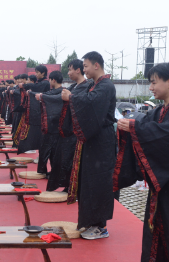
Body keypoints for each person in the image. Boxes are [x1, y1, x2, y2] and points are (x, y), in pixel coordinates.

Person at [115, 62, 169, 261]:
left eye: (153, 82)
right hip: (162, 183)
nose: (150, 88)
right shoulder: (160, 111)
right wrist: (130, 126)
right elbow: (144, 124)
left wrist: (134, 128)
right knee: (158, 227)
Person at [61, 52, 116, 240]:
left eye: (85, 66)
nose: (83, 70)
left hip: (102, 141)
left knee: (99, 182)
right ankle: (90, 222)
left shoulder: (106, 86)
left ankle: (101, 227)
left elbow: (92, 105)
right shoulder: (94, 84)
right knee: (88, 182)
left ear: (96, 65)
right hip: (92, 140)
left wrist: (72, 99)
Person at [37, 60, 91, 191]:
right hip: (66, 130)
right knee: (62, 160)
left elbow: (86, 106)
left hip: (77, 131)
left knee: (74, 161)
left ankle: (74, 188)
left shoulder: (88, 86)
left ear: (78, 70)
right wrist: (43, 97)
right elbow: (57, 99)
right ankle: (67, 185)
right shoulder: (73, 87)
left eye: (70, 69)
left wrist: (70, 97)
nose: (69, 73)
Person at [35, 70, 65, 177]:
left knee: (55, 153)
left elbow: (52, 99)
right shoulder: (53, 92)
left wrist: (42, 97)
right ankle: (47, 171)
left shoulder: (63, 93)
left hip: (57, 127)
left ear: (53, 80)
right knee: (46, 150)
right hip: (49, 126)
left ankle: (55, 173)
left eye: (50, 80)